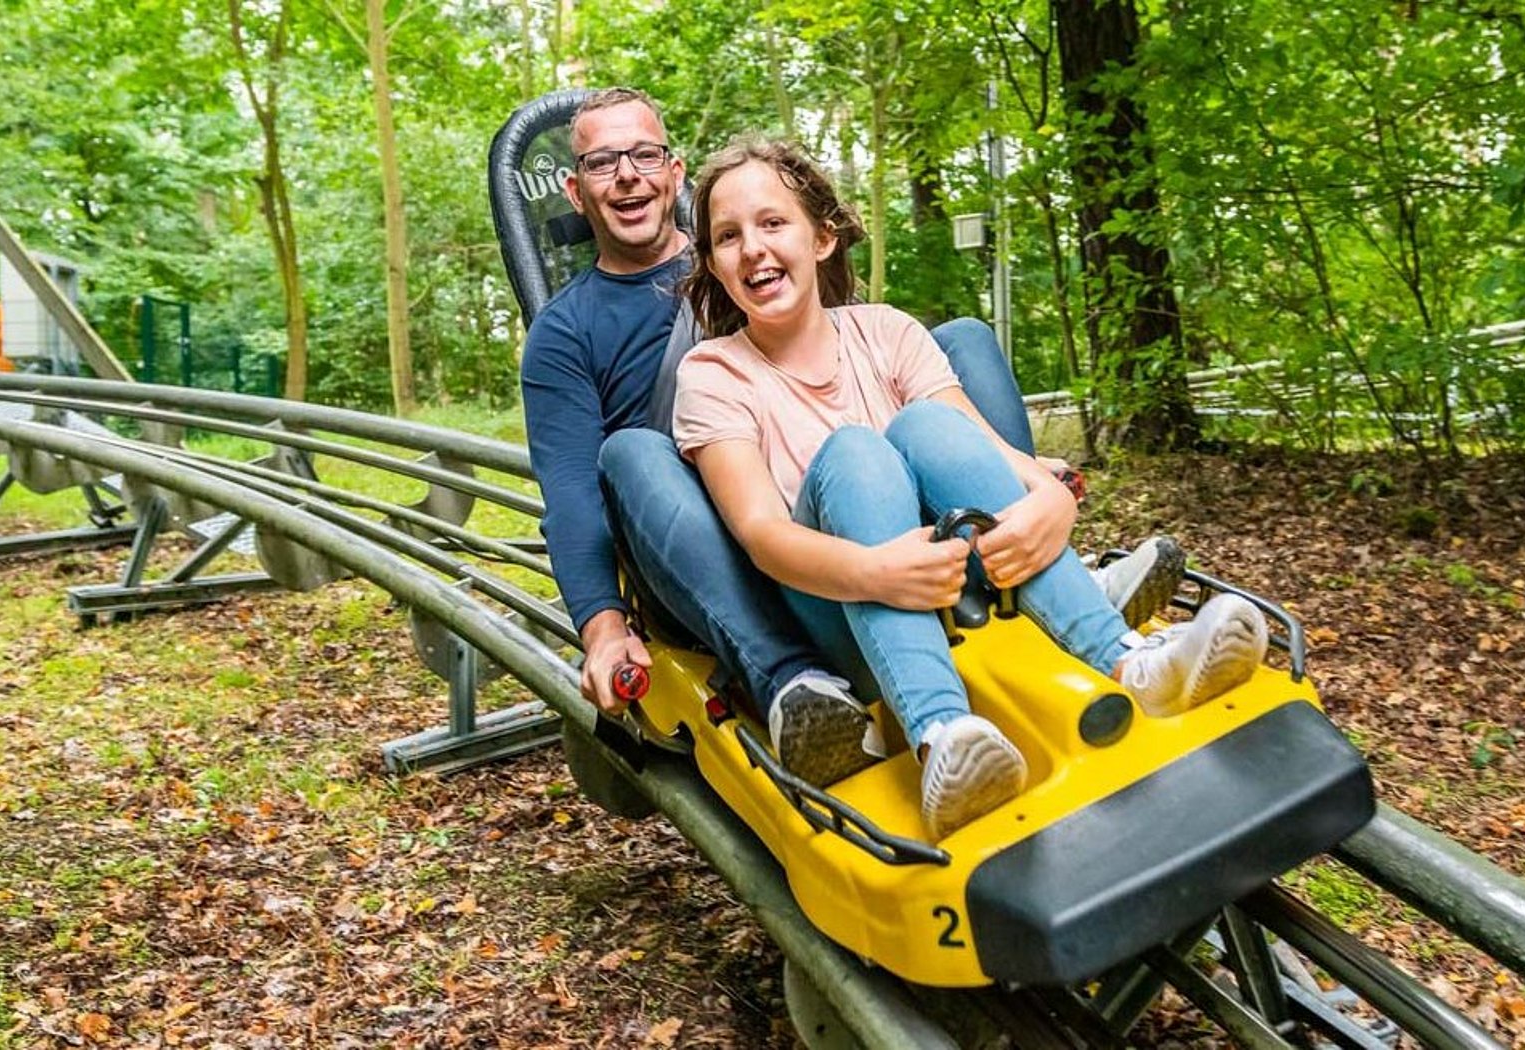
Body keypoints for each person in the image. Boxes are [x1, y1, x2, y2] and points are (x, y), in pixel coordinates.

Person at [519, 87, 1182, 788]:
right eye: (602, 163)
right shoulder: (595, 339)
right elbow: (573, 498)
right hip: (744, 538)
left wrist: (1042, 488)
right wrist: (603, 626)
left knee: (951, 348)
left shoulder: (834, 306)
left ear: (674, 172)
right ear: (575, 187)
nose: (627, 174)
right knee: (641, 452)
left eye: (644, 155)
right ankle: (790, 676)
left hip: (887, 500)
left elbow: (905, 396)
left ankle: (1051, 575)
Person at [672, 138, 1271, 839]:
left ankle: (1127, 659)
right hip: (839, 605)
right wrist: (873, 569)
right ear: (713, 262)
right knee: (857, 451)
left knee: (924, 421)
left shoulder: (887, 332)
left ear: (823, 237)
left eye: (773, 224)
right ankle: (944, 736)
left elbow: (985, 447)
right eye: (728, 236)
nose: (752, 249)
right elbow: (762, 537)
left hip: (956, 584)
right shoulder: (714, 374)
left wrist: (1050, 495)